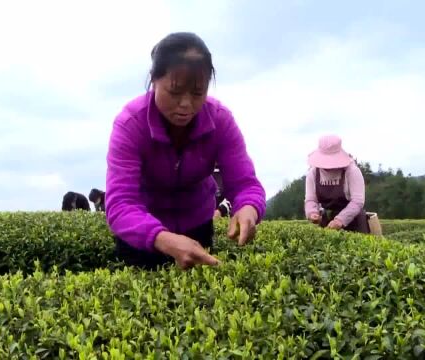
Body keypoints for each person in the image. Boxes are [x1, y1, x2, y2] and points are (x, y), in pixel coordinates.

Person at [104, 32, 266, 270]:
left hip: (197, 229)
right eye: (175, 91)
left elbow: (245, 184)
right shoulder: (131, 124)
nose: (186, 104)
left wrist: (249, 209)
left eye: (198, 93)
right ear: (154, 80)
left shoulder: (220, 121)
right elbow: (120, 204)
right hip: (142, 238)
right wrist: (164, 239)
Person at [304, 134, 370, 233]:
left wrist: (340, 220)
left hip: (354, 222)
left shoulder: (351, 171)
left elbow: (357, 201)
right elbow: (311, 199)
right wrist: (312, 212)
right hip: (328, 221)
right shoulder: (313, 173)